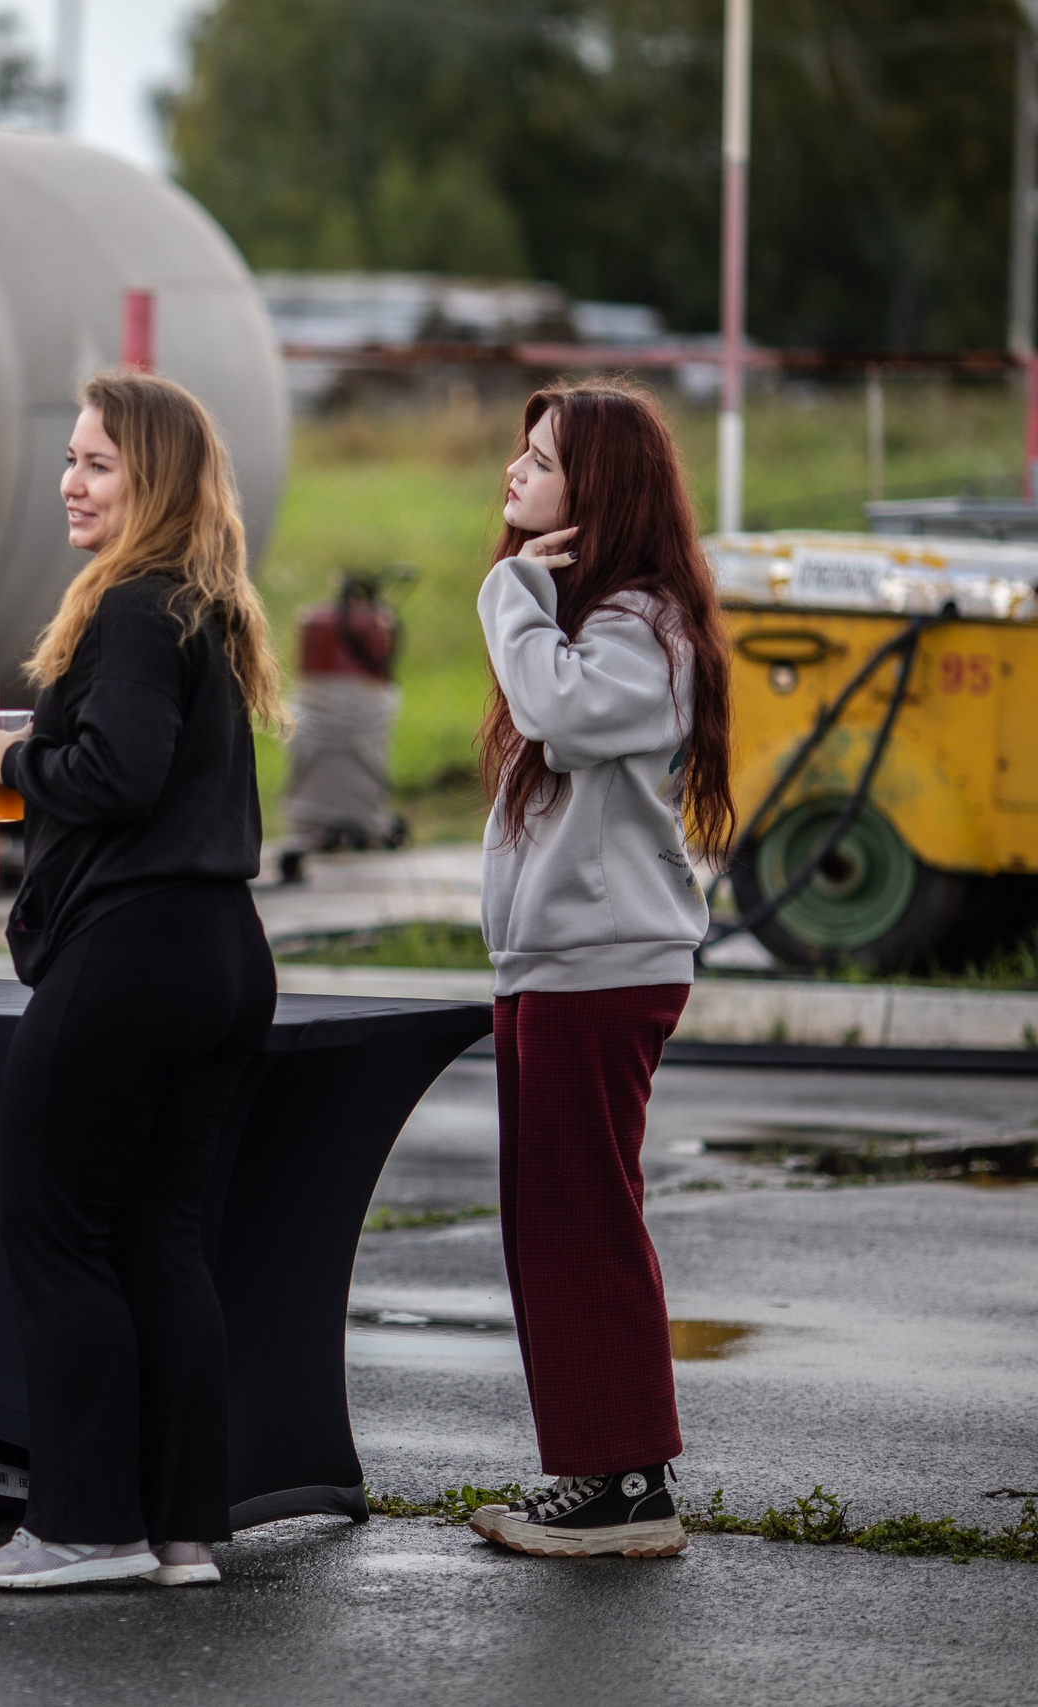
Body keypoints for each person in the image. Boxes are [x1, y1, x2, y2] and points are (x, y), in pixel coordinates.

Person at [0, 369, 280, 1590]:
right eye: (71, 460)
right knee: (162, 1240)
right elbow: (137, 772)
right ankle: (179, 1531)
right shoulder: (198, 604)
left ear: (153, 478)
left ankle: (83, 1527)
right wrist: (32, 758)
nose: (68, 483)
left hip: (132, 954)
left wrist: (21, 756)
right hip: (220, 952)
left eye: (97, 463)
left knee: (55, 1231)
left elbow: (120, 775)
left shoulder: (135, 608)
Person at [461, 381, 733, 1560]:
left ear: (599, 491)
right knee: (550, 1222)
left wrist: (507, 593)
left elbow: (556, 712)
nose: (514, 477)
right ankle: (595, 1471)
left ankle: (629, 1487)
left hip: (601, 964)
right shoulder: (594, 617)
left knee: (583, 1220)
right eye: (517, 456)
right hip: (554, 960)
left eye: (540, 461)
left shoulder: (644, 626)